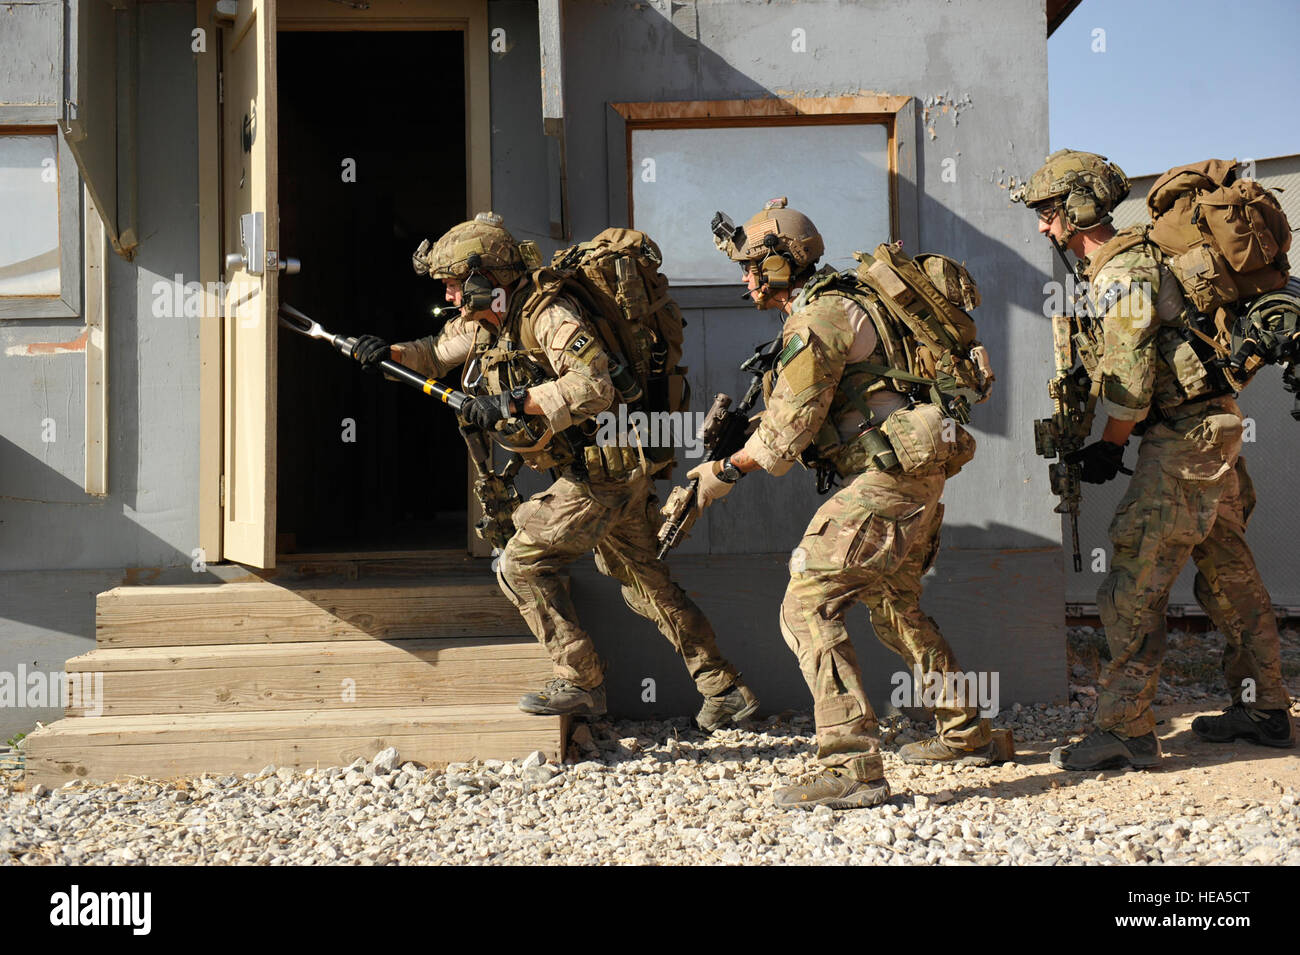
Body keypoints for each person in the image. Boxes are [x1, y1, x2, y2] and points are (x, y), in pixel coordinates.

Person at [350, 212, 758, 731]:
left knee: (520, 565)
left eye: (455, 285)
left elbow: (594, 388)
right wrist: (384, 353)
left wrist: (514, 403)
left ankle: (581, 682)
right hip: (611, 470)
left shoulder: (549, 314)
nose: (451, 297)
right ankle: (723, 688)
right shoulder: (486, 320)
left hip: (601, 474)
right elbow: (433, 354)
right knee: (644, 582)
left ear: (486, 279)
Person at [681, 197, 993, 810]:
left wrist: (719, 472)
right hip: (914, 467)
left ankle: (852, 765)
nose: (745, 278)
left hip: (888, 475)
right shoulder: (848, 300)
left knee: (806, 604)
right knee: (893, 603)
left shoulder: (818, 317)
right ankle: (965, 731)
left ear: (782, 264)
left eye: (753, 265)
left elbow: (786, 435)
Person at [1014, 149, 1294, 770]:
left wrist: (1110, 445)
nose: (1043, 226)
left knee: (1133, 582)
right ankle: (1265, 708)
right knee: (1229, 574)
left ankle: (1126, 729)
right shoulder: (1147, 256)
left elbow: (1132, 383)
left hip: (1184, 444)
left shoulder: (1122, 272)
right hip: (1215, 431)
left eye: (1048, 212)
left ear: (1079, 207)